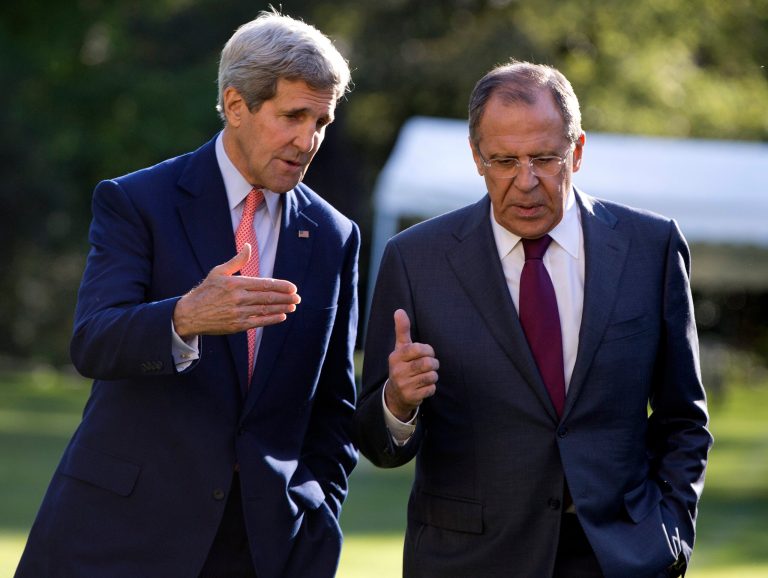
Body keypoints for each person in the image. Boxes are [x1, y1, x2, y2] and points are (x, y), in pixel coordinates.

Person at [17, 9, 359, 578]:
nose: (308, 140)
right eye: (293, 116)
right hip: (121, 540)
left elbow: (333, 409)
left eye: (321, 121)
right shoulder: (137, 202)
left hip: (263, 551)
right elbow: (93, 340)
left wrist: (316, 519)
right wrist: (183, 317)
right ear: (235, 105)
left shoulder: (333, 234)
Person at [354, 60, 712, 578]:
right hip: (470, 563)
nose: (525, 181)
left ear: (578, 151)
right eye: (504, 161)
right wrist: (398, 403)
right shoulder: (415, 259)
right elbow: (376, 444)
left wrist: (669, 535)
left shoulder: (650, 248)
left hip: (618, 558)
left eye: (545, 158)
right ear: (477, 158)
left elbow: (684, 420)